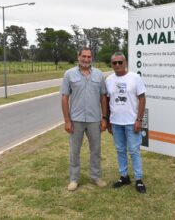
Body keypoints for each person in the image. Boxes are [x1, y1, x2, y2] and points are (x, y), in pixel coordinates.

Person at [61, 47, 108, 191]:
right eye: (84, 56)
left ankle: (95, 176)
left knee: (96, 149)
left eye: (89, 57)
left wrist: (104, 118)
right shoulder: (69, 74)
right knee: (74, 151)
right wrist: (67, 120)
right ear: (78, 57)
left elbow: (103, 97)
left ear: (92, 58)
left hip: (94, 119)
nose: (86, 59)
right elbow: (64, 97)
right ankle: (74, 179)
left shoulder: (99, 75)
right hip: (76, 119)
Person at [105, 52, 147, 194]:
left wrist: (139, 119)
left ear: (125, 63)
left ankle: (139, 179)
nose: (117, 65)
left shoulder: (135, 78)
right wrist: (108, 120)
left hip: (131, 122)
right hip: (116, 122)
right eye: (114, 63)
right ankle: (124, 176)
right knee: (120, 150)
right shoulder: (109, 80)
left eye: (120, 62)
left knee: (134, 151)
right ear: (111, 64)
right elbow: (107, 100)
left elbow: (142, 98)